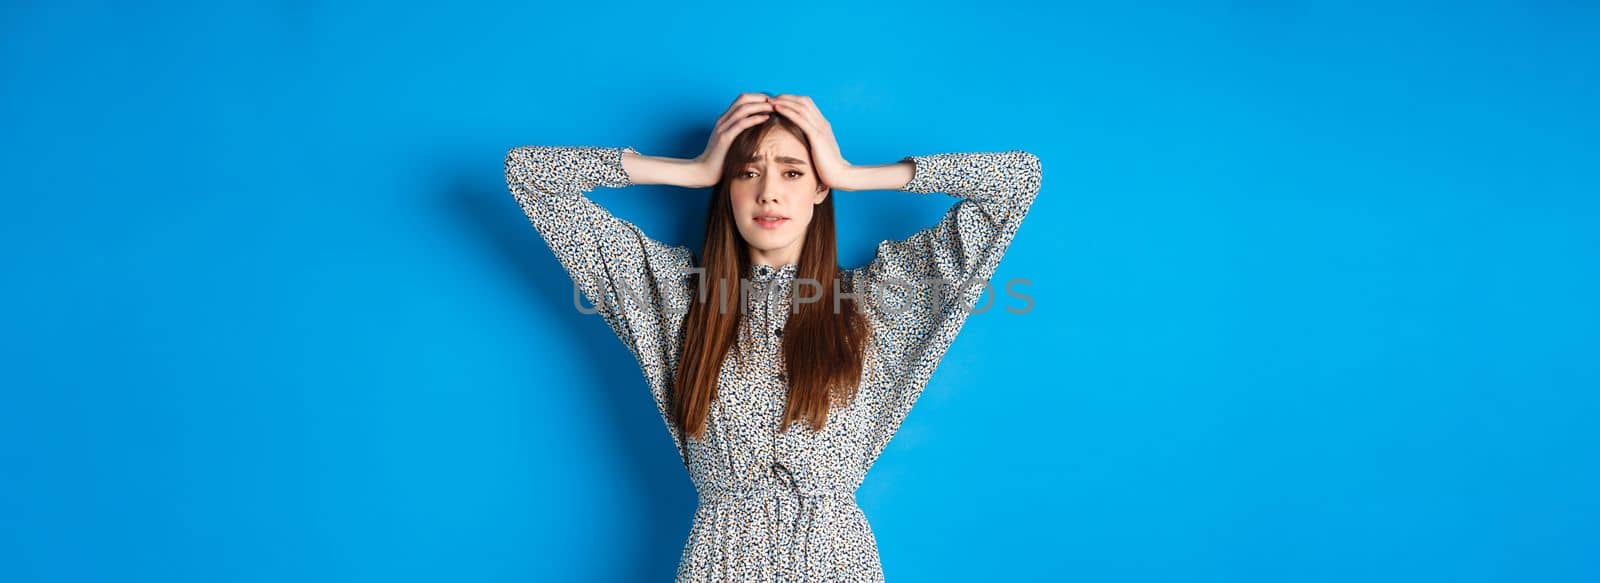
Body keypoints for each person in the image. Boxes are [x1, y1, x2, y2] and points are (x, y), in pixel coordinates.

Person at [504, 92, 1042, 581]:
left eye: (792, 173)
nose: (768, 193)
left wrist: (853, 174)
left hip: (838, 562)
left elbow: (1017, 181)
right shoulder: (671, 297)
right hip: (720, 560)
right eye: (746, 173)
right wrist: (693, 171)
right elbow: (527, 173)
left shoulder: (881, 300)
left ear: (818, 189)